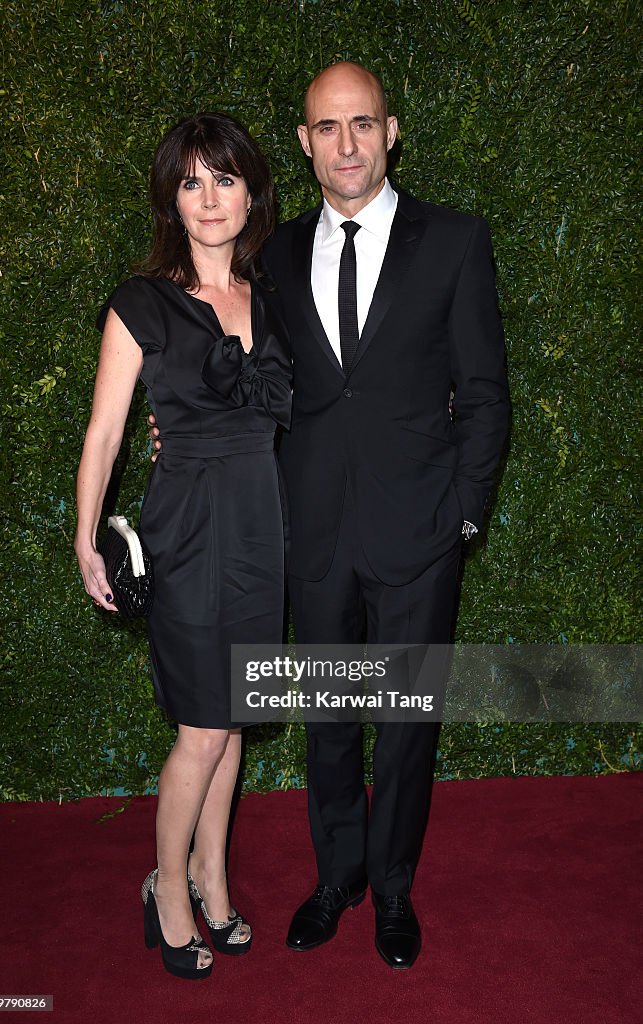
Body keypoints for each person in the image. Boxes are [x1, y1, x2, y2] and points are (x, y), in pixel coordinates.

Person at [151, 61, 510, 970]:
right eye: (325, 127)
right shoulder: (268, 256)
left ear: (390, 131)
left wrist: (463, 515)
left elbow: (486, 394)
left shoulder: (456, 241)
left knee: (403, 724)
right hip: (305, 532)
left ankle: (392, 887)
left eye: (362, 124)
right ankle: (335, 877)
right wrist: (176, 427)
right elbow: (236, 374)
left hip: (420, 532)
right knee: (329, 722)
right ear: (305, 143)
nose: (345, 143)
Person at [74, 112, 292, 980]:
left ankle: (212, 872)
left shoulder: (271, 297)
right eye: (191, 181)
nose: (209, 198)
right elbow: (104, 434)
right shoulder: (141, 303)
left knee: (232, 718)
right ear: (172, 196)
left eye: (225, 179)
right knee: (202, 727)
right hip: (189, 531)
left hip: (261, 532)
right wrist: (85, 539)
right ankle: (165, 888)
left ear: (250, 194)